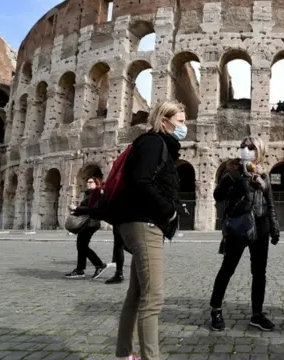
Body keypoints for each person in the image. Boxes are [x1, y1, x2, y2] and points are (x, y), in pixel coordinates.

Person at [113, 101, 186, 360]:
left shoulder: (156, 144)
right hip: (145, 224)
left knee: (136, 295)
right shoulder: (154, 143)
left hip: (141, 223)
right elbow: (141, 183)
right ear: (163, 120)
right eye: (179, 121)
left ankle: (124, 355)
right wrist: (170, 211)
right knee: (153, 299)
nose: (184, 127)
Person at [209, 137, 280, 332]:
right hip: (238, 225)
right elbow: (218, 196)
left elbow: (270, 203)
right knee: (228, 268)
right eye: (242, 146)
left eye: (250, 147)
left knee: (259, 273)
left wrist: (274, 227)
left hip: (261, 225)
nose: (245, 150)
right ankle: (215, 309)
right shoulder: (232, 172)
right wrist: (231, 177)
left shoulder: (263, 175)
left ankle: (257, 314)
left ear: (260, 151)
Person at [65, 176, 110, 280]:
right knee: (81, 245)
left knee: (82, 246)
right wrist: (76, 210)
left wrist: (77, 208)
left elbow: (93, 209)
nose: (88, 184)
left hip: (91, 223)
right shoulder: (89, 194)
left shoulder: (98, 193)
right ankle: (80, 270)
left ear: (96, 183)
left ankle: (99, 265)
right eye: (87, 182)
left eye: (91, 182)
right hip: (87, 222)